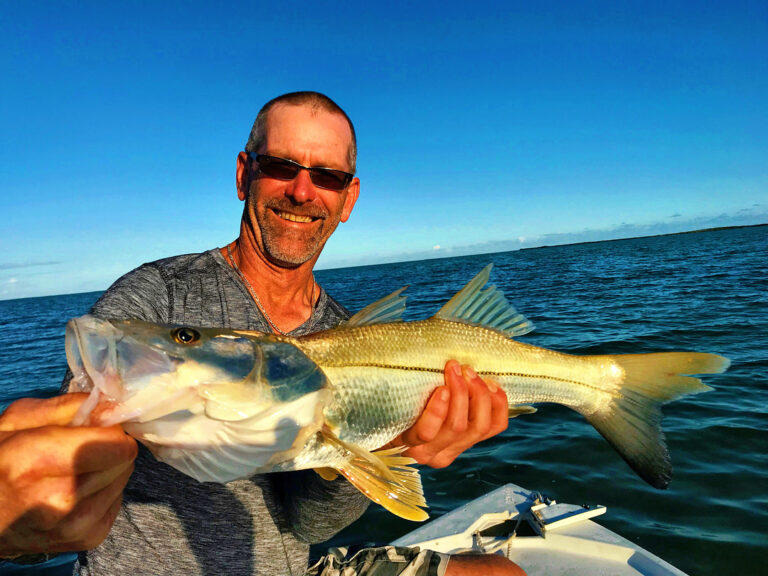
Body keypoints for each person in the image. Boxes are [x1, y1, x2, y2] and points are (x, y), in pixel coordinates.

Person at [0, 92, 524, 575]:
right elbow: (70, 446)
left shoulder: (345, 329)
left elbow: (310, 526)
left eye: (328, 176)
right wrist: (23, 526)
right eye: (280, 166)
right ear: (242, 174)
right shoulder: (155, 295)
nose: (302, 191)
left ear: (349, 199)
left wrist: (399, 444)